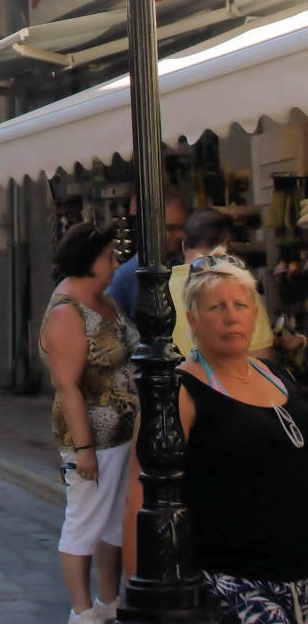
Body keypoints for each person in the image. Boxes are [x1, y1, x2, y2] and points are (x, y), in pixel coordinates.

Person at [124, 251, 308, 622]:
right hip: (233, 585)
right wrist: (138, 596)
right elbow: (137, 499)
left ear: (254, 313)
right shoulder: (179, 391)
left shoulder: (275, 373)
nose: (231, 316)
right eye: (216, 307)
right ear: (193, 318)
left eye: (240, 304)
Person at [39, 223, 139, 624]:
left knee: (114, 523)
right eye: (108, 257)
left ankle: (108, 601)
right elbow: (68, 386)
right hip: (93, 438)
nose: (115, 263)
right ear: (87, 262)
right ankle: (82, 611)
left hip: (123, 433)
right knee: (83, 522)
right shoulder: (67, 313)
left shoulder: (104, 300)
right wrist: (84, 450)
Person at [169, 208, 274, 358]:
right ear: (226, 243)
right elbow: (262, 358)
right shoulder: (239, 287)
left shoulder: (160, 290)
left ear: (184, 245)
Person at [109, 191, 187, 321]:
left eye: (183, 227)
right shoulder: (124, 278)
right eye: (171, 228)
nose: (180, 235)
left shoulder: (188, 265)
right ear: (150, 228)